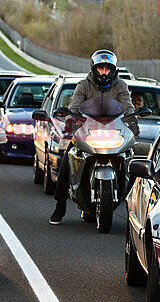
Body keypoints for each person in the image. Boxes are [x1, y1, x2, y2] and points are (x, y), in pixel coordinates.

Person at [50, 49, 138, 225]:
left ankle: (135, 210)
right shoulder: (84, 85)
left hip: (114, 133)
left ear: (113, 70)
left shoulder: (120, 86)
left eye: (107, 69)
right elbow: (75, 106)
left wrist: (133, 121)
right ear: (93, 68)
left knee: (135, 164)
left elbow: (127, 106)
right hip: (88, 132)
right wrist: (70, 120)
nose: (104, 73)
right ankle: (60, 206)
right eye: (100, 69)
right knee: (67, 161)